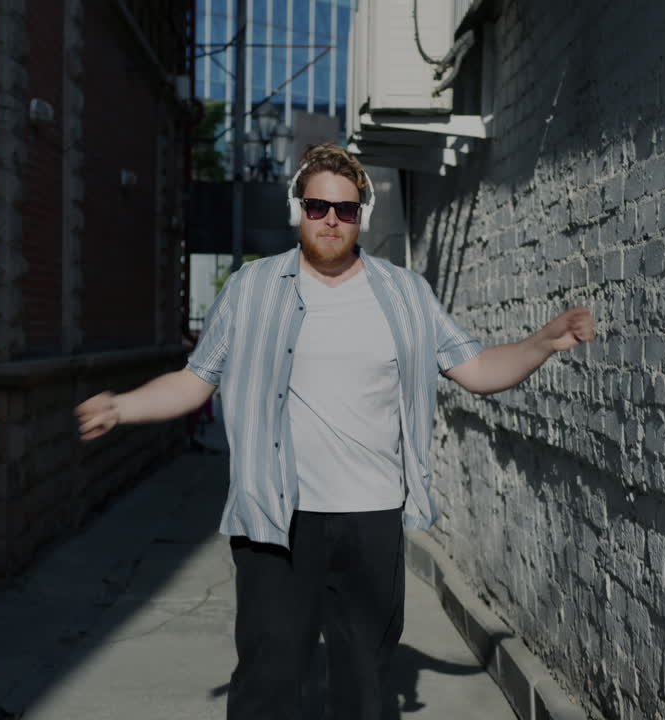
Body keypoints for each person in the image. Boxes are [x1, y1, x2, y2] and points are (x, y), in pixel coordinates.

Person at [75, 143, 595, 719]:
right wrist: (121, 407)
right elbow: (195, 382)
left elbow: (477, 371)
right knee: (267, 685)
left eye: (345, 210)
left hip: (371, 521)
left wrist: (543, 344)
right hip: (276, 521)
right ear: (298, 208)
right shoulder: (251, 290)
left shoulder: (405, 295)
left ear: (361, 217)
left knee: (365, 690)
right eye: (318, 205)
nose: (330, 219)